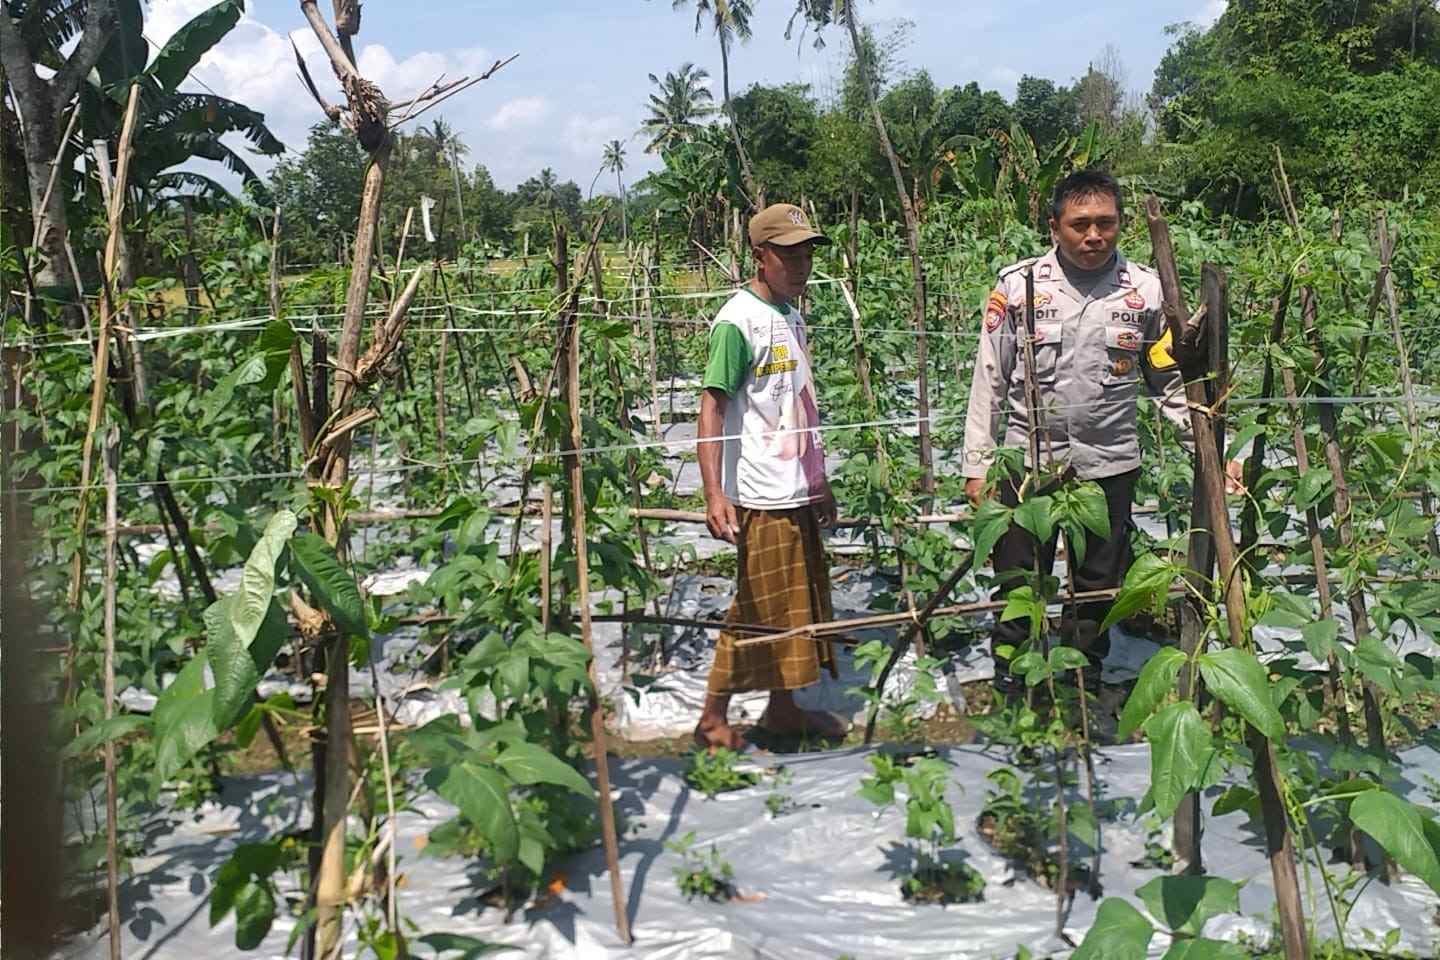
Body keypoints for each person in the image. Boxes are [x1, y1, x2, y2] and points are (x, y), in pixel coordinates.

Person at [960, 169, 1243, 699]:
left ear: (1121, 225)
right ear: (1054, 227)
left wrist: (1211, 451)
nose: (1094, 236)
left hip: (1109, 460)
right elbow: (990, 378)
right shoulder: (1018, 286)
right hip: (1028, 462)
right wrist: (978, 464)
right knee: (1020, 575)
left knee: (1098, 580)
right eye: (1080, 224)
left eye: (1105, 224)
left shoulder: (1145, 292)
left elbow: (1167, 378)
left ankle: (1085, 674)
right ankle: (1014, 676)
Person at [693, 202, 848, 750]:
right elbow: (712, 406)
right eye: (788, 254)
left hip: (795, 486)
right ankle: (713, 716)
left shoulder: (789, 313)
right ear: (760, 256)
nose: (801, 263)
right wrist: (714, 493)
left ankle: (782, 710)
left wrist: (818, 479)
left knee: (793, 603)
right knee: (757, 607)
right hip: (761, 491)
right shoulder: (739, 322)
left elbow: (798, 405)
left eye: (806, 252)